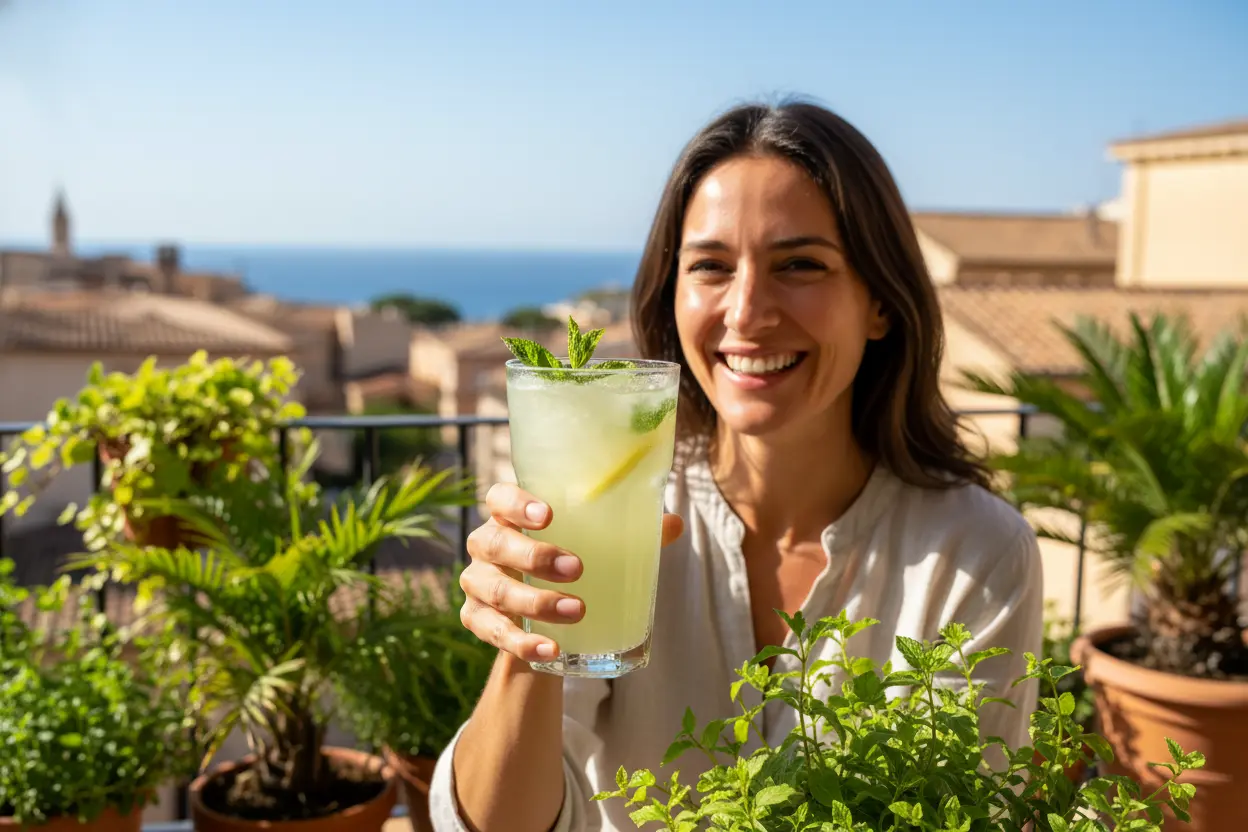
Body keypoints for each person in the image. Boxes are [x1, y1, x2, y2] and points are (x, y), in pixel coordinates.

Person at [429, 99, 1043, 832]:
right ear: (674, 295)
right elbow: (499, 825)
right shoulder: (621, 519)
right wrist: (526, 643)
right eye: (711, 267)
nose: (747, 312)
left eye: (800, 265)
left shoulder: (976, 554)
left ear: (879, 302)